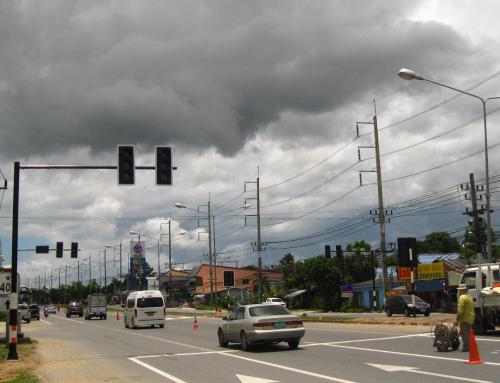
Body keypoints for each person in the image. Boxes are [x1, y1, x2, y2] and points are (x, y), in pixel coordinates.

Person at [455, 284, 475, 352]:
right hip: (471, 318)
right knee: (469, 333)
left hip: (464, 318)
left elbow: (460, 309)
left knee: (464, 334)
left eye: (460, 290)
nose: (459, 291)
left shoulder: (462, 297)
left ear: (463, 290)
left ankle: (466, 347)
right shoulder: (470, 297)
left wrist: (457, 318)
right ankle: (471, 346)